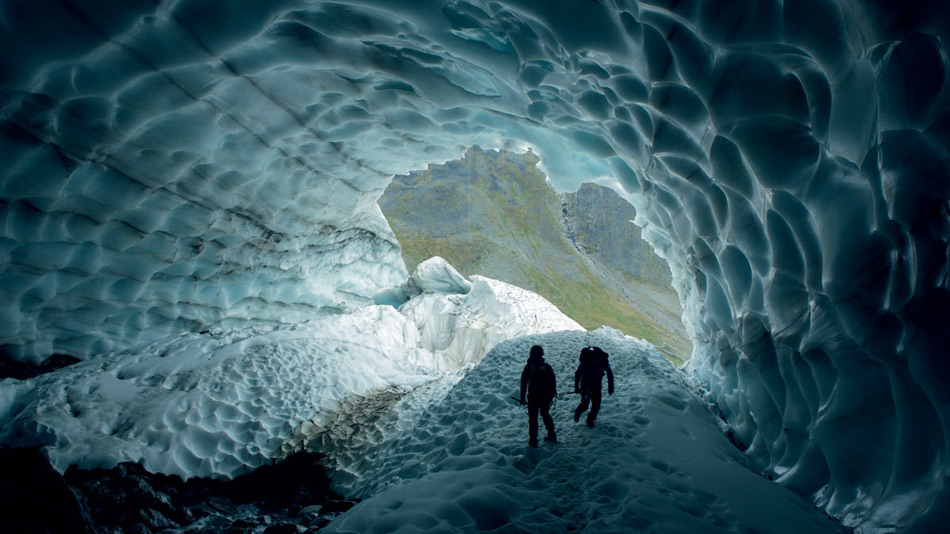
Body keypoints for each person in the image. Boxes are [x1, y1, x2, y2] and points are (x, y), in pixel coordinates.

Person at [520, 344, 557, 447]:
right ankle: (552, 434)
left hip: (533, 397)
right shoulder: (547, 367)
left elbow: (524, 382)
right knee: (545, 414)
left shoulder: (529, 367)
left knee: (533, 418)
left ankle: (533, 439)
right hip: (545, 397)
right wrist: (551, 395)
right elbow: (552, 382)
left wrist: (522, 397)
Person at [573, 346, 614, 427]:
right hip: (586, 384)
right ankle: (578, 413)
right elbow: (578, 373)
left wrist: (611, 387)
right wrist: (576, 386)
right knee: (585, 405)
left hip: (596, 385)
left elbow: (610, 374)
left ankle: (590, 420)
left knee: (596, 406)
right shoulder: (586, 360)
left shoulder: (604, 361)